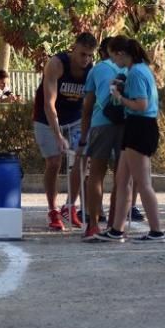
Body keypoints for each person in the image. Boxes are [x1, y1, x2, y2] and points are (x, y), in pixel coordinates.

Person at [96, 37, 165, 243]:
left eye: (112, 54)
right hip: (136, 126)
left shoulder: (135, 72)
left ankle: (156, 230)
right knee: (122, 180)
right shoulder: (140, 70)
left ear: (120, 53)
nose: (111, 59)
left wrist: (119, 97)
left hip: (140, 126)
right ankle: (117, 229)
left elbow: (141, 104)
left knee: (143, 183)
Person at [33, 32, 97, 230]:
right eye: (82, 54)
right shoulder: (56, 64)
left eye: (89, 55)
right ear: (73, 49)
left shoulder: (90, 71)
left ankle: (69, 206)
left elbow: (89, 104)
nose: (85, 59)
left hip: (75, 119)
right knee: (54, 162)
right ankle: (52, 210)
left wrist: (87, 132)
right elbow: (48, 103)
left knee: (82, 161)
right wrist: (58, 135)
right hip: (47, 119)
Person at [79, 38, 125, 241]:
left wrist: (83, 136)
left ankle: (93, 224)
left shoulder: (96, 70)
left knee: (96, 174)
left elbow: (87, 106)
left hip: (101, 123)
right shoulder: (129, 67)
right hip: (125, 123)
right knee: (121, 177)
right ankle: (115, 226)